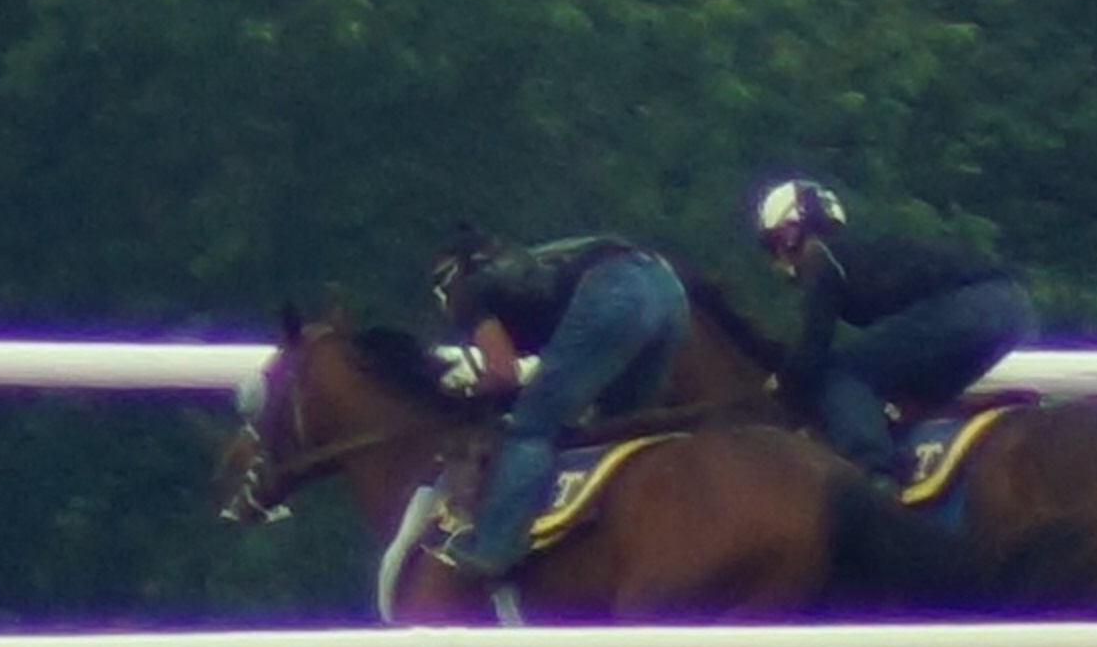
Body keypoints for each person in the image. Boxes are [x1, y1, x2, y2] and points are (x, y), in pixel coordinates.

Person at [425, 225, 686, 579]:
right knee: (619, 425)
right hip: (666, 287)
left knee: (530, 428)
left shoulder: (468, 294)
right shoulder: (532, 268)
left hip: (615, 292)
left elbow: (502, 373)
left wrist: (475, 393)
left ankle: (493, 548)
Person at [752, 178, 1035, 476]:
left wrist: (782, 383)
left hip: (973, 306)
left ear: (790, 233)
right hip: (1014, 306)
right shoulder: (859, 250)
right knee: (910, 394)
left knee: (841, 374)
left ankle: (875, 474)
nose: (776, 260)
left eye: (773, 245)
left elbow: (813, 350)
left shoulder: (821, 259)